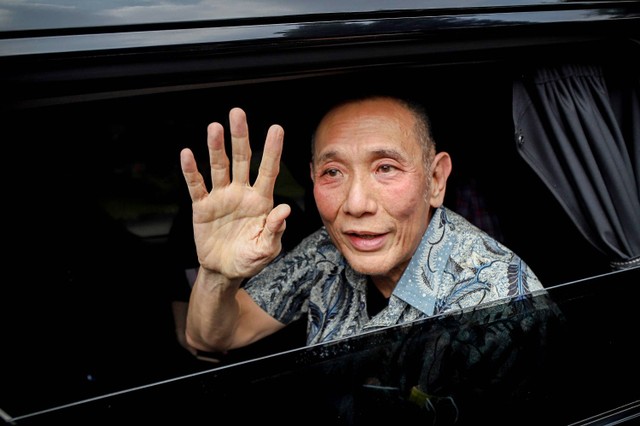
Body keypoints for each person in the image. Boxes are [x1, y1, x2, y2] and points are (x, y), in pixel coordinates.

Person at [179, 95, 544, 354]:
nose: (356, 204)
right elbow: (212, 337)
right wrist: (217, 275)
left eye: (385, 168)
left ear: (435, 179)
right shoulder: (326, 250)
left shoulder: (499, 303)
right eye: (333, 172)